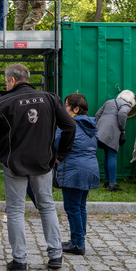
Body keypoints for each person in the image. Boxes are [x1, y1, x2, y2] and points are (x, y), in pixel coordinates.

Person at [0, 63, 76, 271]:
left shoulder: (4, 101)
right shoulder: (50, 98)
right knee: (47, 206)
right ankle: (55, 255)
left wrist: (3, 151)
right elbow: (70, 126)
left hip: (15, 162)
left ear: (12, 81)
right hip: (43, 161)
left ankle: (20, 261)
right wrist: (61, 154)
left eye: (7, 81)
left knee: (15, 210)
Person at [55, 93, 100, 256]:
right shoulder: (90, 125)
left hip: (74, 170)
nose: (63, 108)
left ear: (76, 108)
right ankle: (77, 239)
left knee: (72, 206)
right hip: (89, 168)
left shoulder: (69, 125)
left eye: (66, 105)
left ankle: (78, 244)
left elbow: (56, 143)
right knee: (80, 206)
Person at [95, 90, 136, 192]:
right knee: (112, 155)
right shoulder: (127, 105)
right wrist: (122, 129)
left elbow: (97, 114)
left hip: (101, 129)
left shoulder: (109, 102)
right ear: (130, 99)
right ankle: (112, 184)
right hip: (112, 130)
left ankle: (107, 180)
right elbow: (122, 114)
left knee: (107, 155)